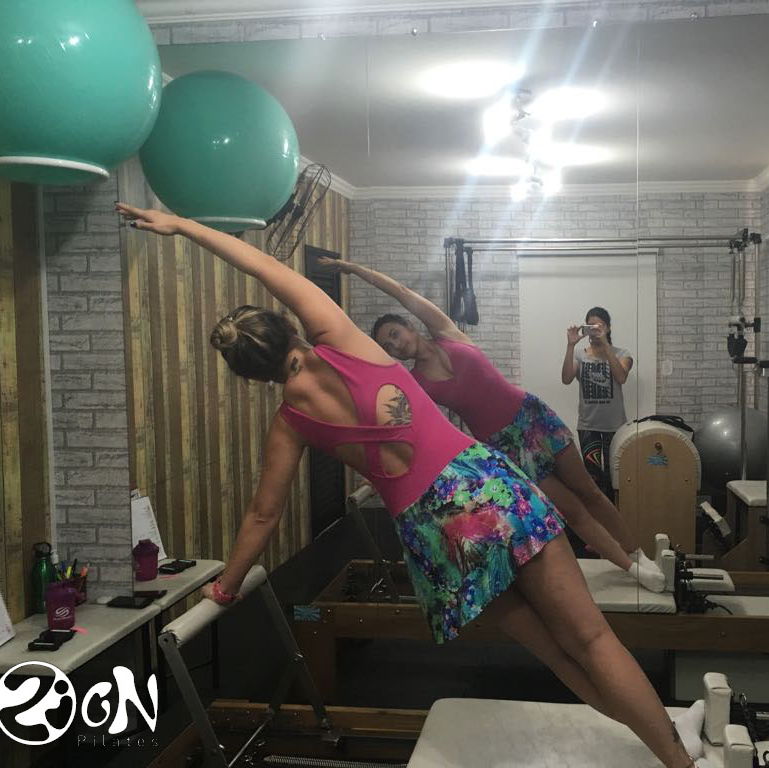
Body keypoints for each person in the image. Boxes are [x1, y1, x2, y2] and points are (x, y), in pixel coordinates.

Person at [115, 202, 699, 768]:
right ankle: (678, 756)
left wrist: (224, 590)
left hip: (436, 532)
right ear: (288, 326)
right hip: (483, 488)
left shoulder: (289, 424)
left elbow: (263, 516)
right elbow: (262, 265)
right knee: (592, 640)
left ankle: (672, 739)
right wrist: (182, 225)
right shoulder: (340, 338)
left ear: (252, 378)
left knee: (563, 658)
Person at [324, 258, 663, 592]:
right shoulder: (416, 383)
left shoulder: (446, 332)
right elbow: (396, 417)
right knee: (571, 510)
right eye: (388, 345)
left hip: (533, 417)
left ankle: (638, 553)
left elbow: (401, 291)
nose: (396, 344)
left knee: (589, 490)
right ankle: (632, 569)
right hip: (505, 444)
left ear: (410, 326)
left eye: (395, 334)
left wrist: (356, 269)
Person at [561, 307, 633, 502]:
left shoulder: (622, 354)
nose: (594, 330)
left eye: (598, 326)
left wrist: (605, 345)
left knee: (614, 476)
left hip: (615, 427)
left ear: (608, 328)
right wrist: (570, 346)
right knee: (593, 478)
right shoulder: (579, 354)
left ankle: (616, 513)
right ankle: (599, 515)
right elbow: (566, 379)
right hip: (588, 426)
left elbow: (621, 377)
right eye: (590, 326)